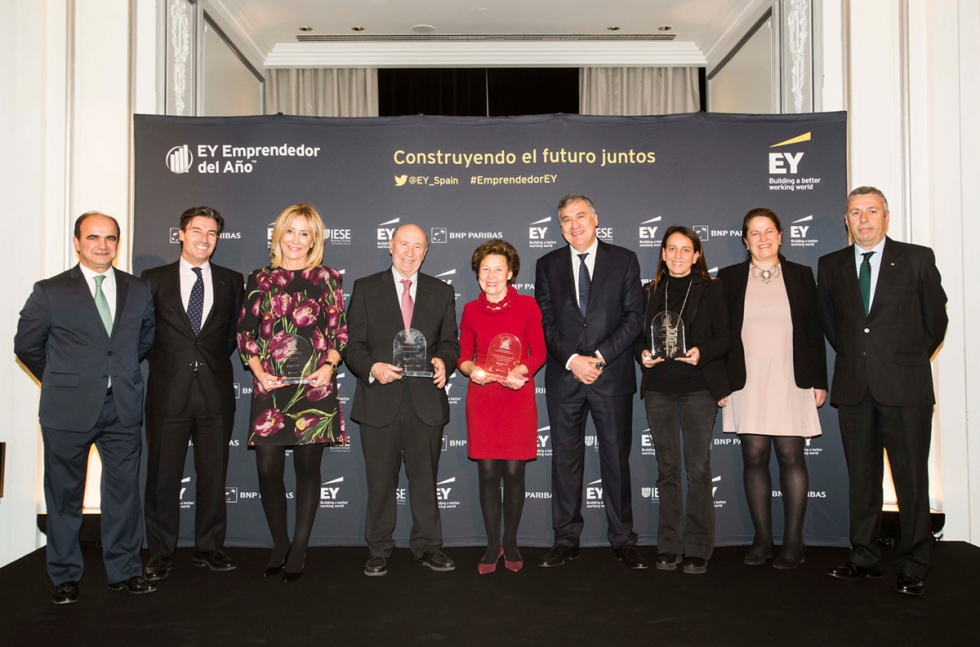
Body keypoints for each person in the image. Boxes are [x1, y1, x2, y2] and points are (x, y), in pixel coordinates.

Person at [15, 212, 156, 604]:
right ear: (77, 242)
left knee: (124, 494)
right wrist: (64, 379)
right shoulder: (50, 291)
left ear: (118, 243)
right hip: (67, 410)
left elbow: (144, 341)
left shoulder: (139, 289)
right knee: (64, 496)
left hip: (123, 407)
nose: (102, 245)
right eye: (93, 237)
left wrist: (115, 375)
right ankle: (64, 576)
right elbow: (26, 346)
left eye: (110, 238)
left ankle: (125, 570)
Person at [818, 186, 947, 596]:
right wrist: (864, 358)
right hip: (855, 387)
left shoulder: (916, 258)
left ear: (886, 217)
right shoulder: (831, 264)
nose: (864, 220)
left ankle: (914, 563)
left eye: (872, 211)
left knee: (911, 480)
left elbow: (935, 322)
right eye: (855, 213)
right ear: (846, 220)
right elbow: (832, 325)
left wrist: (902, 361)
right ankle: (865, 556)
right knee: (862, 479)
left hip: (905, 388)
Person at [236, 203, 347, 582]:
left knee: (307, 469)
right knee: (268, 469)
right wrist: (258, 371)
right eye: (290, 231)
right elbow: (245, 333)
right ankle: (279, 541)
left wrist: (329, 367)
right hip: (271, 386)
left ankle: (299, 546)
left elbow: (339, 333)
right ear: (278, 234)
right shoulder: (259, 278)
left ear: (314, 240)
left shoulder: (328, 278)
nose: (296, 241)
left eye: (305, 234)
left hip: (314, 388)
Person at [535, 195, 646, 569]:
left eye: (580, 216)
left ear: (596, 219)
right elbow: (545, 321)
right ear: (560, 226)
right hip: (566, 377)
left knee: (616, 458)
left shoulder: (625, 259)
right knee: (565, 461)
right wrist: (571, 360)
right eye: (565, 219)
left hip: (610, 376)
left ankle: (623, 539)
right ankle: (566, 539)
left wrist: (597, 358)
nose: (574, 224)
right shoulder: (547, 264)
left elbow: (634, 318)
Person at [345, 224, 461, 577]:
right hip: (379, 399)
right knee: (380, 482)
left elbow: (450, 342)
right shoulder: (365, 288)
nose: (410, 252)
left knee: (426, 480)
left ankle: (428, 546)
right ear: (390, 246)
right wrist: (372, 368)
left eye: (418, 246)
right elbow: (352, 346)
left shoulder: (442, 291)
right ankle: (379, 549)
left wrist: (444, 361)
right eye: (403, 244)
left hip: (425, 401)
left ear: (426, 252)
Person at [718, 208, 827, 570]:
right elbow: (720, 337)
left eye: (768, 231)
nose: (762, 238)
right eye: (754, 232)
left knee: (791, 457)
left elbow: (815, 332)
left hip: (790, 378)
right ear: (745, 240)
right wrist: (721, 384)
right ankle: (762, 538)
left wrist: (820, 381)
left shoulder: (801, 275)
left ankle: (794, 542)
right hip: (747, 381)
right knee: (753, 457)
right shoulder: (730, 278)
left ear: (781, 236)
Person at [140, 207, 245, 581]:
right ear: (181, 234)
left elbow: (233, 334)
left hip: (215, 392)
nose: (204, 238)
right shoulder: (153, 280)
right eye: (197, 231)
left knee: (214, 474)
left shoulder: (233, 281)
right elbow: (144, 335)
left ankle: (210, 547)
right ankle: (159, 552)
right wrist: (171, 365)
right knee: (162, 476)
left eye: (212, 233)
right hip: (168, 392)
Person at [633, 226, 731, 574]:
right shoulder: (649, 292)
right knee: (667, 470)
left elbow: (726, 338)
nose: (677, 256)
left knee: (699, 469)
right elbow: (636, 337)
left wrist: (701, 352)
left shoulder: (712, 290)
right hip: (658, 390)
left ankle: (699, 547)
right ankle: (668, 545)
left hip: (697, 389)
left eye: (684, 249)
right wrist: (641, 353)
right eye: (671, 249)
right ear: (662, 254)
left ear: (696, 255)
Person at [457, 240, 546, 574]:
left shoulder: (527, 306)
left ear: (511, 273)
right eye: (484, 270)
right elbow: (463, 356)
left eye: (498, 269)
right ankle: (492, 543)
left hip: (516, 394)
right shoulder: (469, 310)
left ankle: (511, 540)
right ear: (477, 275)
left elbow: (538, 352)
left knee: (513, 472)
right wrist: (473, 371)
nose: (491, 276)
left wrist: (520, 370)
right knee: (488, 472)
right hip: (483, 397)